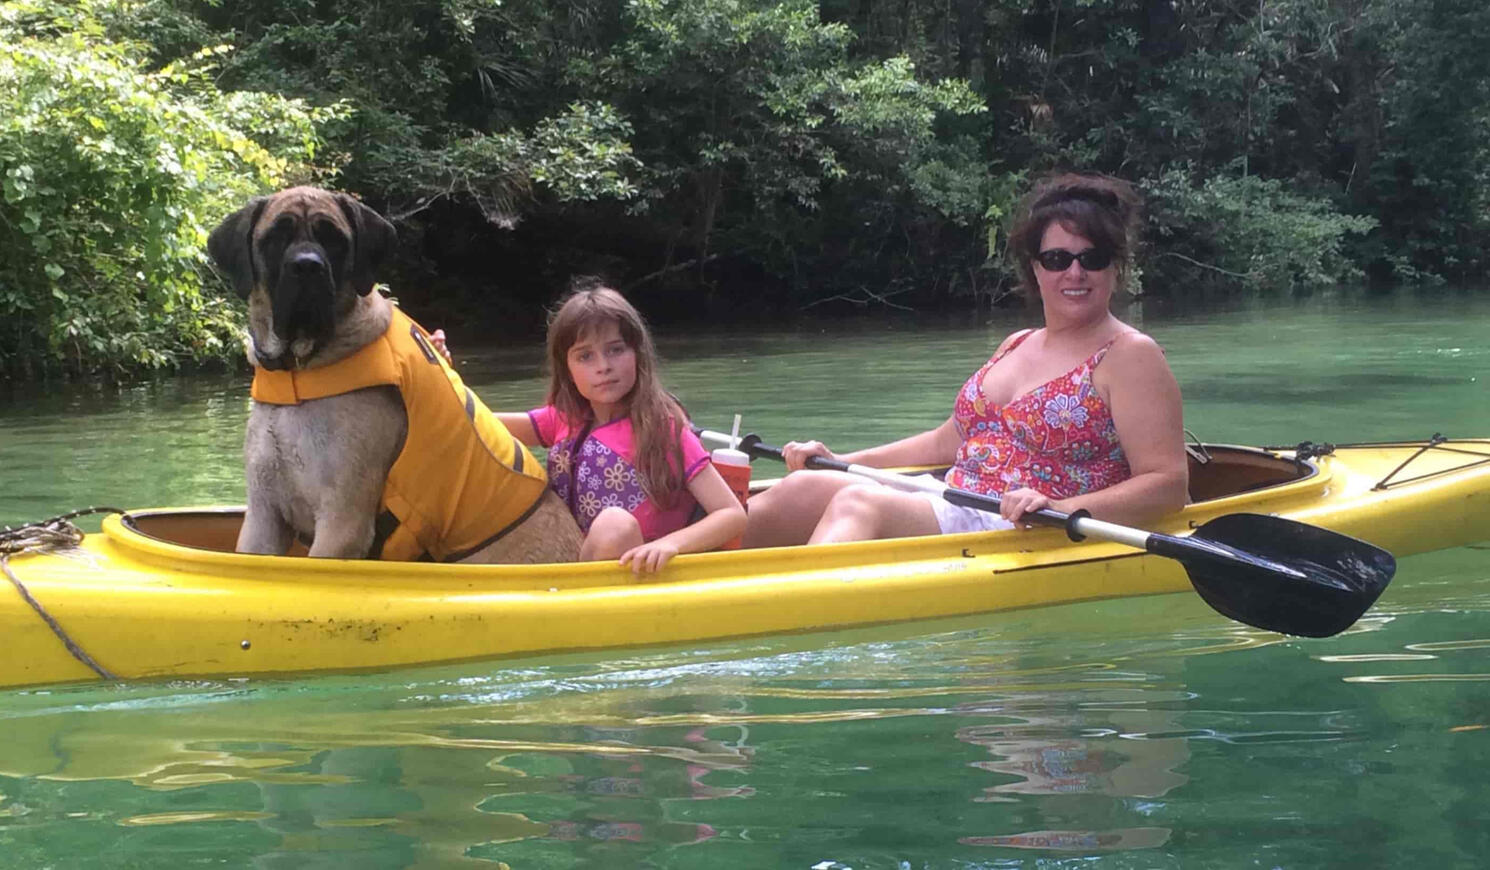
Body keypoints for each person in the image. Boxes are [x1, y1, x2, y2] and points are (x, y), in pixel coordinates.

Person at [741, 172, 1188, 548]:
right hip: (955, 497)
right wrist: (841, 458)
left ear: (1116, 267)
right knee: (806, 486)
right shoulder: (1016, 343)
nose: (1074, 273)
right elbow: (945, 443)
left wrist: (1062, 508)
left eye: (1092, 258)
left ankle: (797, 631)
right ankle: (686, 561)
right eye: (1057, 259)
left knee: (859, 504)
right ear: (1035, 268)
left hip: (1024, 527)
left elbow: (1168, 484)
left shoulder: (1131, 355)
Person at [434, 285, 746, 572]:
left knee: (616, 524)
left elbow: (730, 514)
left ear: (638, 355)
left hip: (643, 572)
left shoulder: (662, 428)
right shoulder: (562, 420)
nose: (603, 366)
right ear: (567, 369)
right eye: (585, 356)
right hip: (574, 557)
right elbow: (473, 421)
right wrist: (440, 371)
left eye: (615, 350)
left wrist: (669, 544)